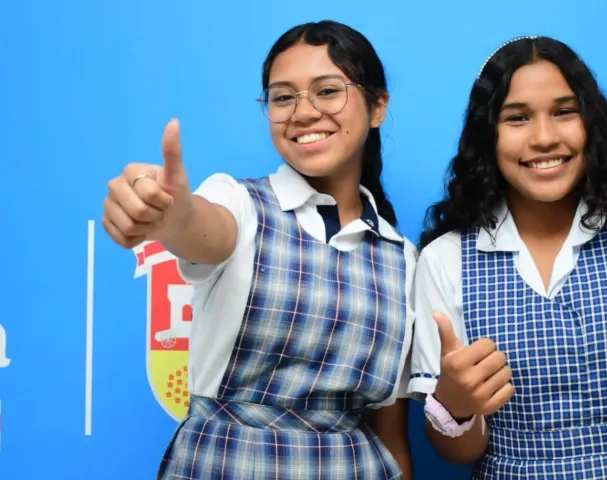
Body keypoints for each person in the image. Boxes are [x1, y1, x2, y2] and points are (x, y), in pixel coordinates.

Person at [101, 20, 416, 480]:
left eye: (328, 91)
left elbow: (392, 436)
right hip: (224, 464)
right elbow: (199, 226)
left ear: (377, 106)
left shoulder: (402, 258)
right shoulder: (240, 203)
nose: (303, 112)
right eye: (283, 97)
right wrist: (169, 217)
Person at [408, 36, 607, 479]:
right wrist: (455, 403)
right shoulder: (445, 261)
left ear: (591, 125)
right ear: (488, 135)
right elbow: (459, 452)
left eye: (564, 112)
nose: (544, 138)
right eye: (517, 117)